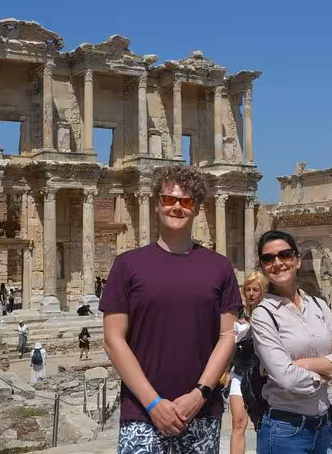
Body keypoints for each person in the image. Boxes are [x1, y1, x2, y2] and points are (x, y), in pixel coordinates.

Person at [99, 166, 242, 454]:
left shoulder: (220, 267)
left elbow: (228, 335)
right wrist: (153, 403)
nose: (177, 206)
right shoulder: (127, 265)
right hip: (142, 413)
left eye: (186, 201)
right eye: (169, 199)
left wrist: (200, 394)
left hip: (201, 413)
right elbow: (113, 340)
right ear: (156, 204)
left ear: (197, 209)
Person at [252, 230, 332, 454]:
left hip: (324, 425)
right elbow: (288, 379)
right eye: (268, 258)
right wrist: (329, 370)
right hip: (285, 429)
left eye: (285, 255)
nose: (278, 263)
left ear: (298, 260)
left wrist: (305, 365)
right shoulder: (263, 314)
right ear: (262, 266)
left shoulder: (319, 305)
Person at [229, 271, 267, 454]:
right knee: (237, 422)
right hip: (240, 372)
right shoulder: (236, 315)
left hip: (262, 375)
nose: (251, 293)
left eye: (256, 290)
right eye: (248, 289)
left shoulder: (269, 315)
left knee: (262, 423)